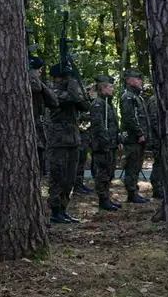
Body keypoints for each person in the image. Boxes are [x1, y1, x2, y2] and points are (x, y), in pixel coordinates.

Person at [48, 64, 90, 224]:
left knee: (70, 178)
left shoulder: (71, 90)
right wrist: (73, 82)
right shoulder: (54, 91)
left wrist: (76, 82)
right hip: (58, 140)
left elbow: (85, 105)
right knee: (58, 176)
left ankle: (64, 209)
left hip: (73, 138)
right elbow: (72, 97)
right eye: (66, 77)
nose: (67, 79)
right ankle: (55, 210)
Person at [118, 68, 151, 204]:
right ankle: (132, 193)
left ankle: (134, 191)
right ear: (130, 80)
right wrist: (140, 133)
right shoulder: (128, 97)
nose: (140, 81)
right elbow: (129, 118)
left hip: (138, 138)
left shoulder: (137, 97)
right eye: (137, 79)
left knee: (137, 165)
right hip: (132, 139)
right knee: (132, 165)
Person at [89, 75, 121, 211]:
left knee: (110, 172)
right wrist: (105, 142)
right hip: (103, 145)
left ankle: (107, 197)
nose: (113, 89)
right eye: (110, 87)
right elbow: (98, 125)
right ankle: (103, 199)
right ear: (103, 88)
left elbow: (114, 124)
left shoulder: (108, 103)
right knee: (102, 173)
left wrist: (118, 139)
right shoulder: (98, 103)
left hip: (111, 144)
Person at [29, 56, 58, 175]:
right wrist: (32, 74)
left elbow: (53, 102)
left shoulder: (38, 83)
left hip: (39, 124)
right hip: (30, 124)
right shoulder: (31, 81)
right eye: (38, 69)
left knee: (41, 154)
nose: (40, 71)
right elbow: (36, 87)